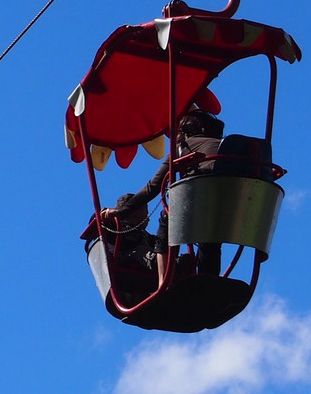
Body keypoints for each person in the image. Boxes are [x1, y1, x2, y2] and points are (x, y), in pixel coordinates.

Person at [102, 108, 272, 278]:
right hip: (241, 206)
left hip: (202, 201)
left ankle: (164, 280)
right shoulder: (224, 148)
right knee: (210, 239)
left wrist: (119, 212)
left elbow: (152, 187)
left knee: (167, 218)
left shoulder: (183, 147)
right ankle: (208, 280)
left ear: (184, 131)